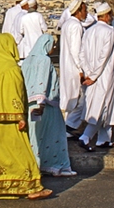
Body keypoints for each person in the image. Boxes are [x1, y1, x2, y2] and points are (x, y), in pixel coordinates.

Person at [0, 34, 52, 202]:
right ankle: (32, 187)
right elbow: (16, 94)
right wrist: (20, 116)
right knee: (20, 153)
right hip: (9, 122)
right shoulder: (11, 69)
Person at [21, 34, 76, 176]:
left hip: (29, 103)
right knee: (55, 135)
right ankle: (57, 165)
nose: (54, 48)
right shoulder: (44, 60)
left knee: (35, 137)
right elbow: (42, 80)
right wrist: (41, 102)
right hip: (46, 105)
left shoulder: (27, 61)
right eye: (52, 45)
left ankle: (33, 166)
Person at [77, 3, 114, 150]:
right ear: (107, 16)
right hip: (103, 76)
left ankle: (104, 139)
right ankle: (86, 137)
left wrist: (88, 73)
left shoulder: (89, 31)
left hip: (92, 76)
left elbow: (81, 54)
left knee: (103, 105)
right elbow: (104, 56)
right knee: (103, 107)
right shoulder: (109, 31)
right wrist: (94, 76)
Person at [58, 0, 88, 134]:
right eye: (85, 10)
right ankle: (69, 127)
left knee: (70, 97)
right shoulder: (76, 26)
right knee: (79, 99)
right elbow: (76, 49)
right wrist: (80, 69)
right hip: (74, 68)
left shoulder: (67, 24)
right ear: (78, 11)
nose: (86, 13)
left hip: (66, 66)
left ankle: (66, 127)